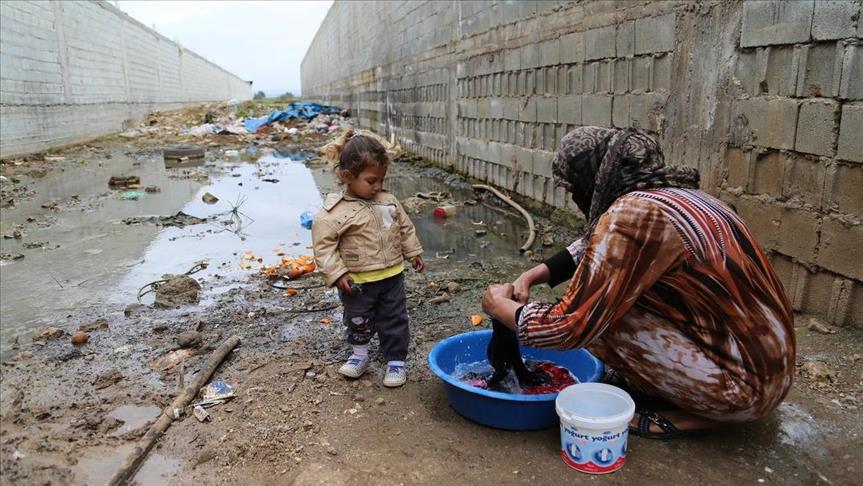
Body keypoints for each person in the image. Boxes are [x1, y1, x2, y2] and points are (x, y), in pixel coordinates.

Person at [481, 126, 795, 439]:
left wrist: (501, 307)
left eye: (574, 186)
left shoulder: (635, 214)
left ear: (596, 176)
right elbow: (593, 246)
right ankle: (681, 387)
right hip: (766, 372)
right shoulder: (678, 199)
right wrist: (532, 275)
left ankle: (695, 416)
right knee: (605, 290)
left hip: (742, 393)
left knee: (601, 320)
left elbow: (568, 327)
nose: (575, 196)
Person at [312, 130, 425, 388]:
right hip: (358, 281)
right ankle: (359, 355)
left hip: (391, 275)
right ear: (347, 177)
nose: (378, 187)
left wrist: (413, 252)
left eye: (381, 180)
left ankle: (396, 360)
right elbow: (324, 246)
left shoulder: (388, 202)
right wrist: (337, 273)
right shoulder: (334, 211)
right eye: (371, 181)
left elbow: (404, 228)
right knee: (358, 320)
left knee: (395, 318)